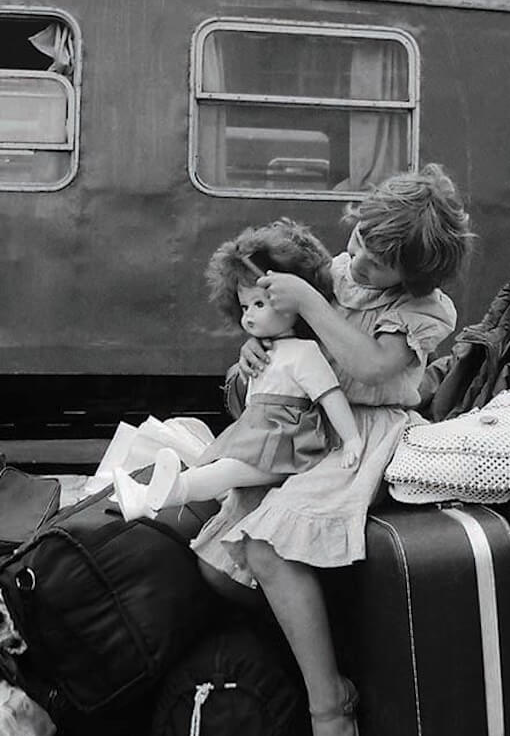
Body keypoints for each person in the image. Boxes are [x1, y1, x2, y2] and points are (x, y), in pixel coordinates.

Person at [192, 164, 472, 736]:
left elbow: (371, 366)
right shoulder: (339, 273)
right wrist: (252, 354)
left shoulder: (426, 309)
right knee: (217, 566)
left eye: (378, 262)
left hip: (364, 435)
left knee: (263, 547)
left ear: (415, 276)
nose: (358, 262)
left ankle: (330, 710)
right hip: (304, 425)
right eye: (359, 243)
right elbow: (285, 337)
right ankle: (323, 654)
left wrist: (311, 302)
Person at [111, 218, 363, 521]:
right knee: (221, 469)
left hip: (284, 441)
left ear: (294, 304)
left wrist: (351, 439)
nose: (249, 316)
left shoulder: (305, 352)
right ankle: (151, 497)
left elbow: (330, 396)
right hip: (259, 434)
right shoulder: (266, 350)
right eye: (245, 307)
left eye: (259, 304)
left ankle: (169, 492)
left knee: (226, 471)